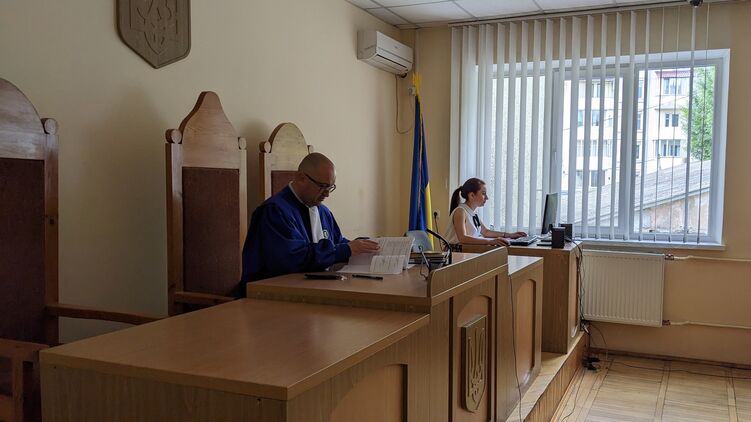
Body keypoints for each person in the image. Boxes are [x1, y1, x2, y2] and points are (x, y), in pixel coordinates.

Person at [241, 152, 379, 284]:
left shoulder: (323, 212)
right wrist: (345, 250)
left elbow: (336, 243)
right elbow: (292, 259)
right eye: (323, 186)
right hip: (269, 292)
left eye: (330, 187)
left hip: (314, 288)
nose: (327, 194)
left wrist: (360, 246)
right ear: (301, 178)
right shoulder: (274, 212)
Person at [445, 178, 527, 247]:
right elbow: (463, 238)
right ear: (472, 195)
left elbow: (485, 232)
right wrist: (489, 242)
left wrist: (510, 235)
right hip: (455, 253)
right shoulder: (460, 211)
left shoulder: (472, 212)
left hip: (467, 251)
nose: (487, 198)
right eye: (483, 193)